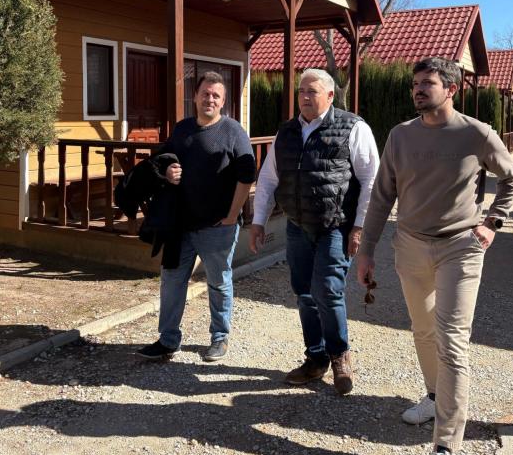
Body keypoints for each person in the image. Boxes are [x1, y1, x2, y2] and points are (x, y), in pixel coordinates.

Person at [355, 57, 513, 455]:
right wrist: (366, 250)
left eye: (427, 83)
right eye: (415, 83)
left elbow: (512, 178)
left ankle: (445, 448)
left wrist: (493, 223)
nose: (418, 89)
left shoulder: (476, 133)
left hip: (460, 248)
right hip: (410, 245)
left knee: (452, 340)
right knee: (423, 328)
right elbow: (382, 196)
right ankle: (434, 395)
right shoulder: (400, 135)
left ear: (451, 88)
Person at [249, 68, 380, 395]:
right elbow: (268, 179)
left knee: (327, 289)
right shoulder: (286, 133)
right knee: (304, 292)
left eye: (312, 91)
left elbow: (371, 181)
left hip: (336, 226)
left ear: (330, 96)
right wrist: (258, 221)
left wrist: (360, 226)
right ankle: (316, 358)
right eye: (301, 91)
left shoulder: (353, 128)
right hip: (297, 226)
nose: (305, 97)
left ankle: (340, 355)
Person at [138, 71, 256, 363]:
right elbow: (164, 160)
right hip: (180, 225)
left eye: (216, 95)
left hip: (217, 227)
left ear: (223, 101)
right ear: (195, 96)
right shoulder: (182, 130)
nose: (210, 99)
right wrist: (168, 172)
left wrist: (232, 216)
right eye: (205, 94)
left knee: (218, 282)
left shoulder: (233, 132)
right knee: (171, 282)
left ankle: (219, 337)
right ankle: (168, 340)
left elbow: (247, 176)